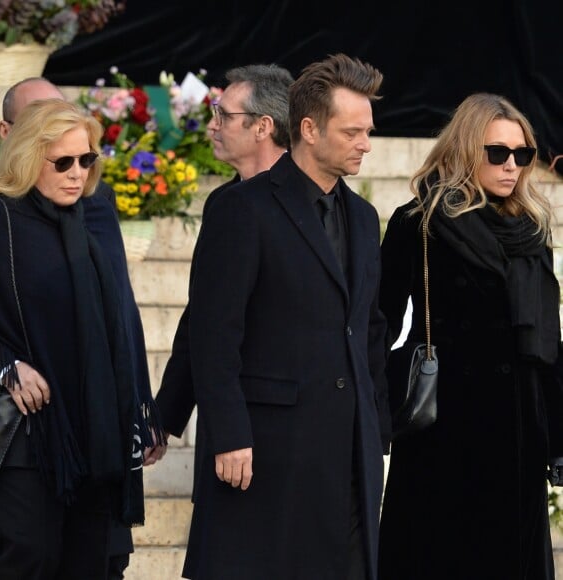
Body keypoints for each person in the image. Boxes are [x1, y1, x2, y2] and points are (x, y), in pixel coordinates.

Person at [181, 53, 391, 579]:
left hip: (347, 453)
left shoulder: (364, 219)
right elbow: (213, 333)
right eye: (353, 132)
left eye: (368, 131)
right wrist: (229, 432)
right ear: (309, 129)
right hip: (267, 450)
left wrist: (377, 427)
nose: (366, 143)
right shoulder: (242, 209)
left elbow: (368, 329)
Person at [378, 92, 563, 579]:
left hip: (518, 429)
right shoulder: (418, 223)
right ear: (464, 150)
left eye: (522, 155)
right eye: (497, 153)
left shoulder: (530, 230)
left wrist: (558, 439)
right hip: (444, 425)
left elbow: (549, 343)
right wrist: (376, 409)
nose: (512, 166)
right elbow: (378, 321)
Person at [0, 99, 162, 579]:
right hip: (28, 431)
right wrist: (4, 364)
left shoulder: (97, 216)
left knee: (94, 563)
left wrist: (141, 408)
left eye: (87, 160)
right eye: (62, 162)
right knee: (28, 558)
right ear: (26, 157)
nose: (77, 173)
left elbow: (121, 315)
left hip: (97, 429)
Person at [155, 63, 294, 443]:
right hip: (235, 417)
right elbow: (204, 316)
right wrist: (167, 414)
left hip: (297, 422)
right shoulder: (223, 202)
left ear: (263, 127)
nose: (212, 125)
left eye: (223, 115)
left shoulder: (314, 202)